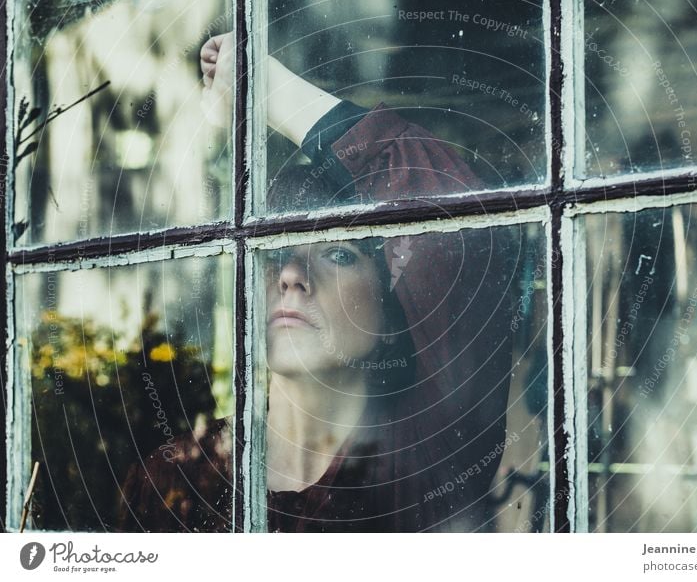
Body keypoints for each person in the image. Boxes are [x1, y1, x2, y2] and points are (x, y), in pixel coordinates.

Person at [119, 33, 518, 532]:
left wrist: (268, 90)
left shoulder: (426, 453)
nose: (290, 275)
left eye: (336, 254)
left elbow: (460, 230)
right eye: (274, 253)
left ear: (393, 301)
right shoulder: (173, 478)